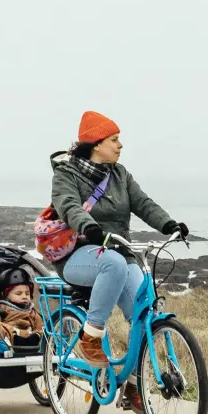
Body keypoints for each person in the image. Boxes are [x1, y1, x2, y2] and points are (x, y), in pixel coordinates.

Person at [45, 110, 190, 367]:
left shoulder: (120, 174)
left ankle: (134, 383)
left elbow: (144, 204)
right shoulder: (66, 175)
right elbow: (69, 206)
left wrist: (168, 225)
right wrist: (88, 227)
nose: (120, 145)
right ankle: (90, 336)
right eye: (114, 139)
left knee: (144, 314)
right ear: (96, 144)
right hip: (78, 254)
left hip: (118, 253)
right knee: (114, 263)